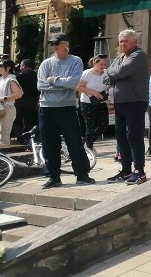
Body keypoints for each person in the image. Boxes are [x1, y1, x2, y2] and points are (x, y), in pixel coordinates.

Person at [36, 34, 95, 188]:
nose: (54, 46)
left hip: (67, 107)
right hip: (46, 107)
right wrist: (63, 84)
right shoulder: (46, 64)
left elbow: (74, 82)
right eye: (52, 43)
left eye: (57, 43)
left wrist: (53, 80)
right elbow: (41, 86)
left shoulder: (75, 61)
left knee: (74, 141)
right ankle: (53, 177)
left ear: (66, 44)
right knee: (49, 144)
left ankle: (82, 174)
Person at [103, 29, 150, 185]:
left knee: (134, 136)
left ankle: (140, 171)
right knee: (121, 138)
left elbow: (122, 71)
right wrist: (111, 74)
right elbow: (106, 75)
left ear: (134, 42)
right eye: (120, 41)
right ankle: (126, 170)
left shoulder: (139, 55)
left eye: (125, 41)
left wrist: (111, 74)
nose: (122, 44)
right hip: (120, 103)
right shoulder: (120, 57)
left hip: (135, 102)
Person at [77, 55, 109, 149]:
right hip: (87, 103)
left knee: (103, 125)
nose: (103, 66)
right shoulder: (87, 73)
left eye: (104, 64)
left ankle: (87, 142)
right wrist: (93, 92)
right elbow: (78, 87)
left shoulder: (105, 73)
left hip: (101, 102)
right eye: (101, 64)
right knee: (90, 126)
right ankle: (88, 146)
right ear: (95, 63)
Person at [0, 60, 23, 145]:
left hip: (8, 108)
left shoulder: (11, 79)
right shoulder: (1, 79)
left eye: (1, 65)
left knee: (4, 132)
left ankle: (4, 153)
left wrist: (3, 98)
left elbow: (19, 94)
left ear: (8, 68)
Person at [15, 59, 39, 134]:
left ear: (24, 66)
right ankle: (29, 136)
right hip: (33, 100)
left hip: (20, 100)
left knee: (18, 120)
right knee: (30, 119)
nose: (20, 67)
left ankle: (20, 136)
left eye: (21, 65)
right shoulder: (37, 75)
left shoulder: (18, 76)